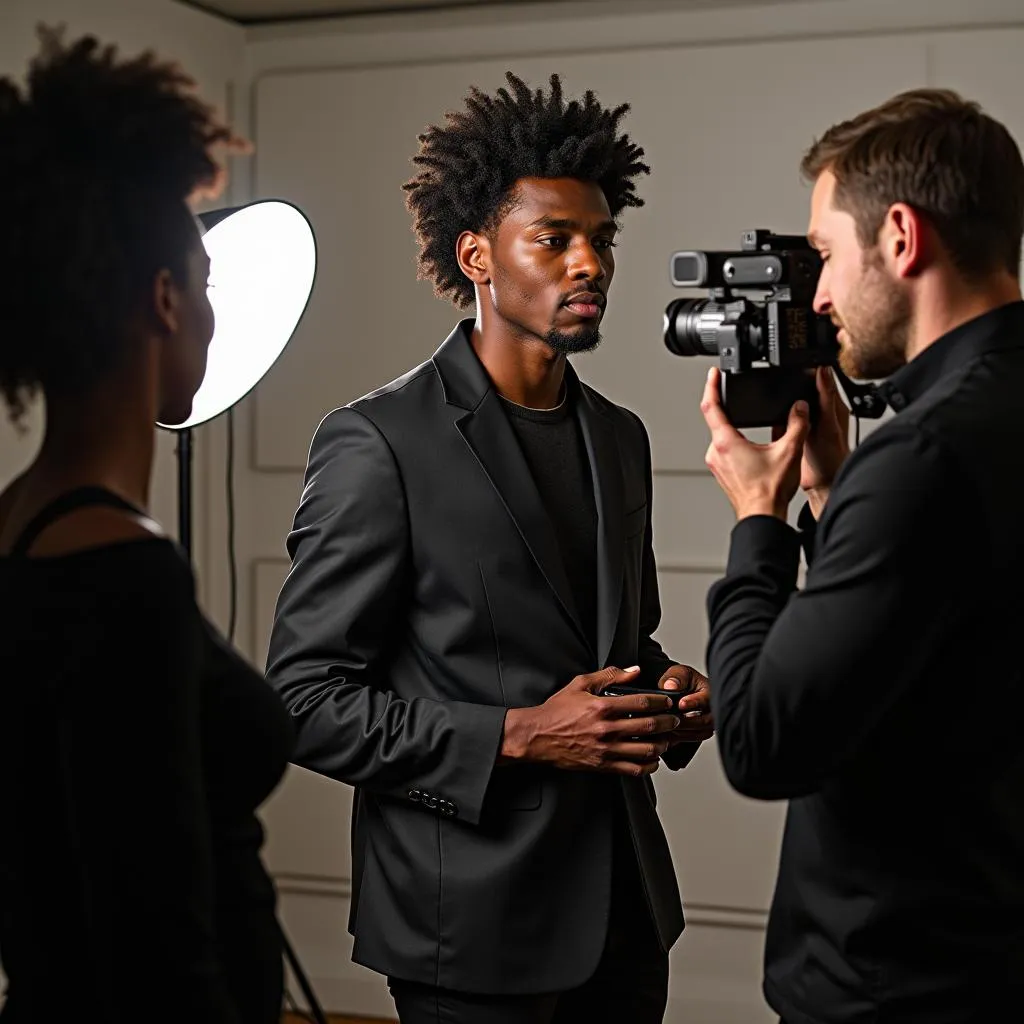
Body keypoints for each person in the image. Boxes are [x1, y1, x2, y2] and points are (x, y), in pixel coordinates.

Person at [266, 71, 713, 1024]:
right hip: (466, 922)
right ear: (476, 254)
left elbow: (615, 648)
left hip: (626, 913)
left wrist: (667, 694)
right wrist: (519, 734)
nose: (588, 263)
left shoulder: (620, 437)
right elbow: (302, 702)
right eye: (554, 240)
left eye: (601, 240)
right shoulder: (377, 442)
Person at [698, 87, 1024, 1024]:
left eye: (828, 256)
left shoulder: (923, 459)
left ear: (902, 239)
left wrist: (760, 522)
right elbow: (945, 635)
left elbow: (763, 743)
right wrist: (834, 495)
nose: (819, 295)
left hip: (899, 980)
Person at [0, 27, 293, 1024]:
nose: (213, 313)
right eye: (206, 284)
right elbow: (155, 942)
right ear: (166, 301)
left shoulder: (14, 532)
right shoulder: (126, 578)